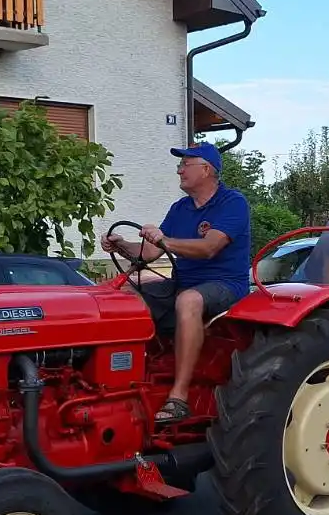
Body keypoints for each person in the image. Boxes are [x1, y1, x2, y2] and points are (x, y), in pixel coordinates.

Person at [100, 142, 252, 424]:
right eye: (180, 165)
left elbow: (209, 248)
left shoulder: (232, 203)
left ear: (206, 169)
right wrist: (121, 246)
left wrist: (163, 239)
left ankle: (178, 398)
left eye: (185, 164)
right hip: (182, 284)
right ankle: (123, 382)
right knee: (126, 299)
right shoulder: (180, 208)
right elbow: (149, 253)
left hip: (225, 286)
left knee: (189, 300)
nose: (179, 170)